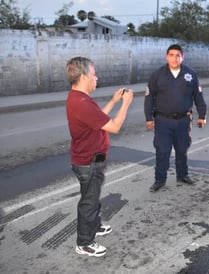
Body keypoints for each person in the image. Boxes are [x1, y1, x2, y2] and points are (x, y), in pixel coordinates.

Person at [65, 56, 134, 257]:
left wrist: (113, 101)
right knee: (89, 201)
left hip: (90, 160)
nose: (97, 78)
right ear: (85, 76)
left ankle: (94, 226)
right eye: (94, 74)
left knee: (92, 198)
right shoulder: (82, 102)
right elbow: (113, 126)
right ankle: (84, 242)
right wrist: (125, 104)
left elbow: (98, 120)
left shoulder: (80, 98)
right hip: (88, 162)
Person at [144, 44, 207, 192]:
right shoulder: (157, 75)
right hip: (163, 121)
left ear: (182, 57)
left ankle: (182, 175)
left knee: (182, 149)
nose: (174, 58)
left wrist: (202, 116)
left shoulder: (190, 74)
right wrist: (148, 117)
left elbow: (198, 96)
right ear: (166, 57)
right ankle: (159, 180)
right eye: (171, 55)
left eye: (177, 55)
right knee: (162, 151)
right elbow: (149, 97)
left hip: (183, 121)